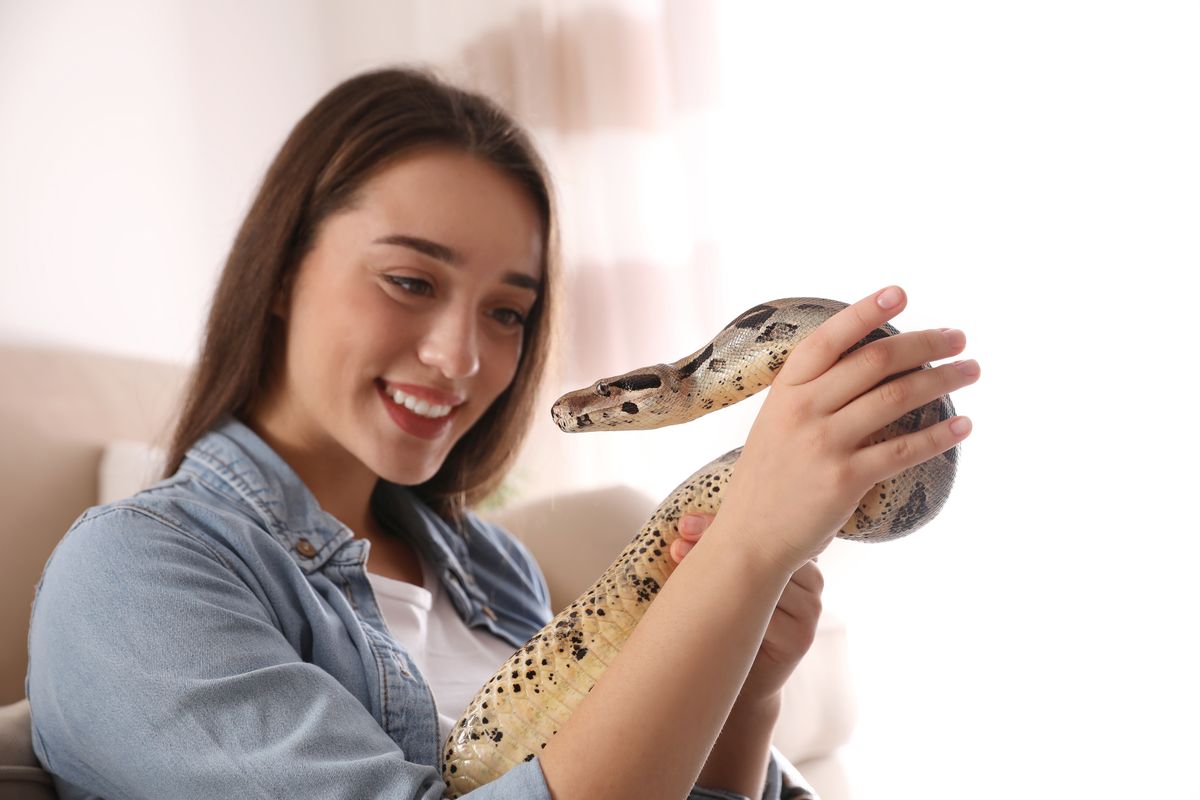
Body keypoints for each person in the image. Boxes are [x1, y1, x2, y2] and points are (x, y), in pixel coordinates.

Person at [25, 67, 979, 799]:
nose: (462, 359)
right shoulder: (135, 574)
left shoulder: (492, 569)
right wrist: (744, 552)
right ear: (281, 275)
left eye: (508, 312)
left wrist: (746, 687)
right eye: (411, 281)